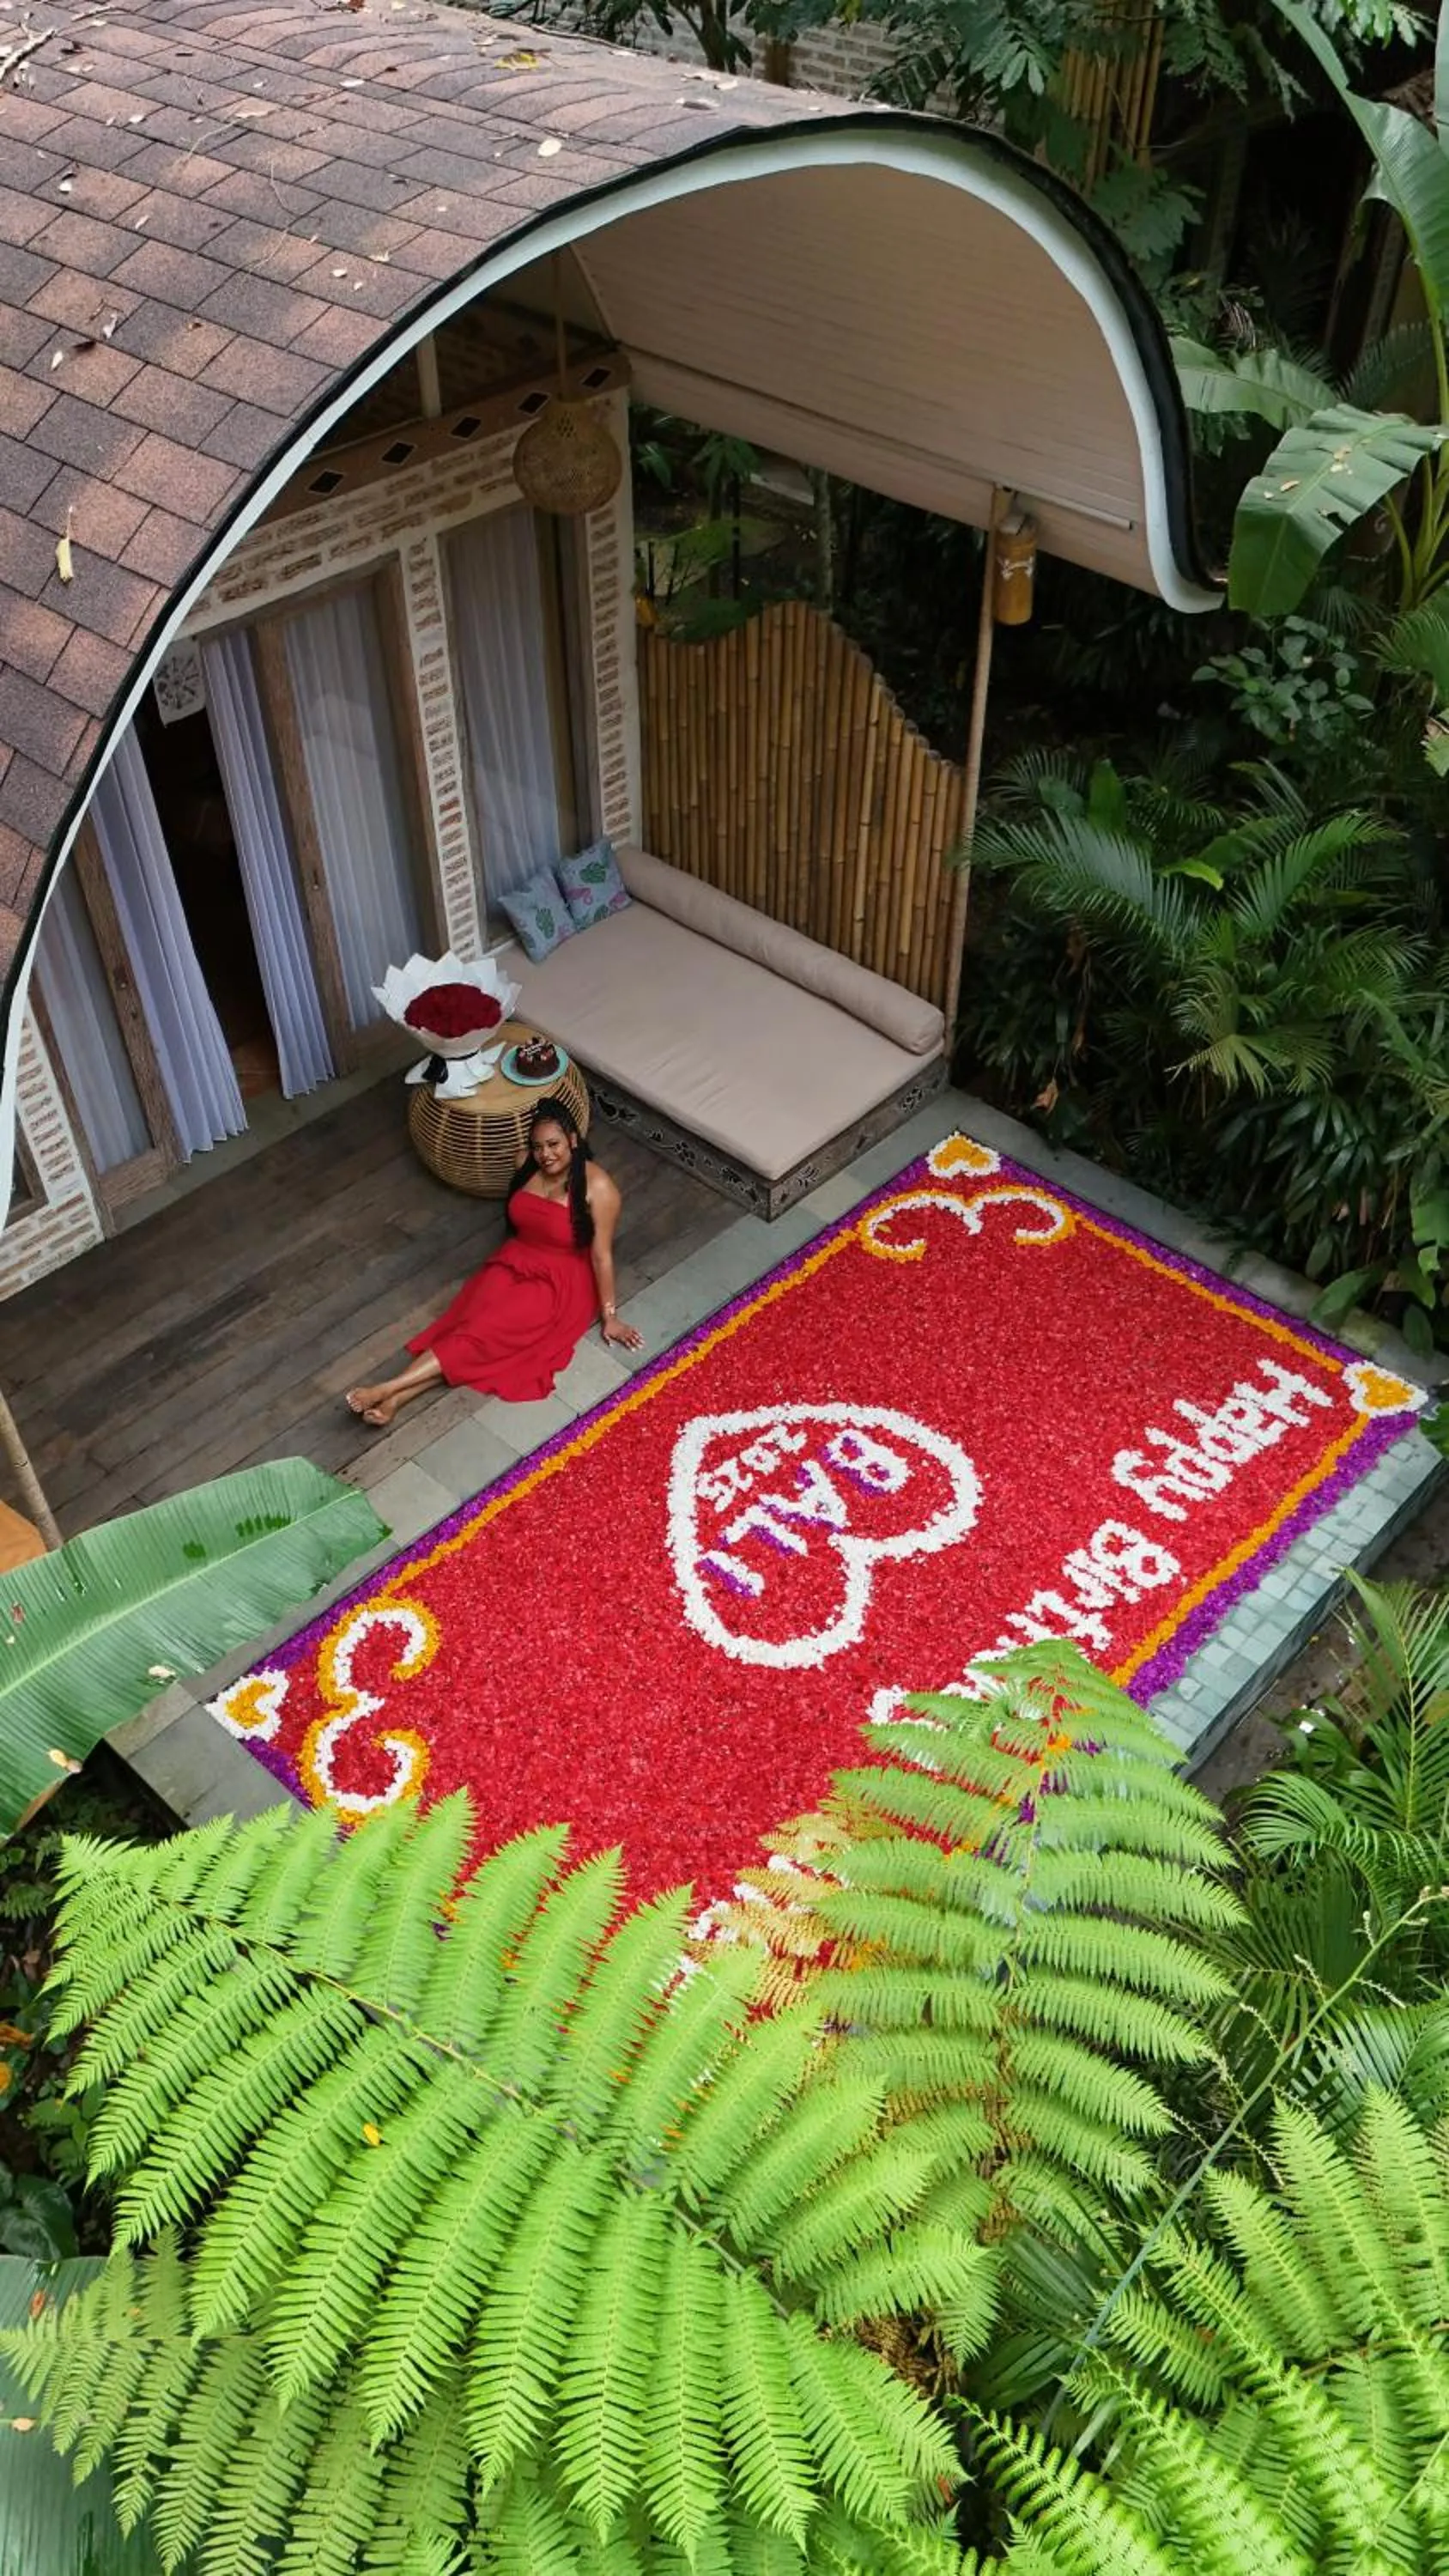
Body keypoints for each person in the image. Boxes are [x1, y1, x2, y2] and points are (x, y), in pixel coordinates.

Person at [345, 1099, 643, 1429]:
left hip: (559, 1280)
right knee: (469, 1332)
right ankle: (396, 1401)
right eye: (538, 1146)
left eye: (554, 1144)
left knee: (479, 1335)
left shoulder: (599, 1187)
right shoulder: (526, 1163)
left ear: (573, 1140)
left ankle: (386, 1388)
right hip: (514, 1259)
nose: (546, 1155)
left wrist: (610, 1316)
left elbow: (602, 1255)